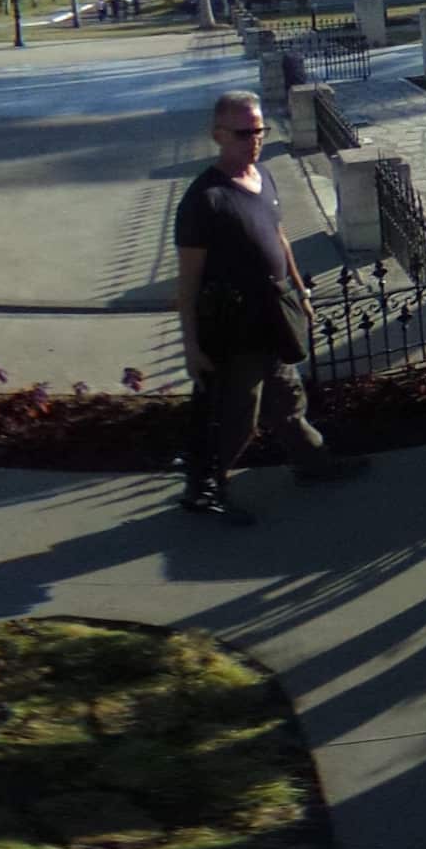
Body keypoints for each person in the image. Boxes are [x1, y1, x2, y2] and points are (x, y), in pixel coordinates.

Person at [173, 90, 362, 525]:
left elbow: (279, 240)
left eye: (260, 131)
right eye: (244, 133)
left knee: (288, 399)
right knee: (239, 418)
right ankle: (207, 490)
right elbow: (188, 281)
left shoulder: (264, 177)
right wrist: (191, 345)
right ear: (218, 135)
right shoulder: (204, 200)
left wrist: (300, 293)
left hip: (275, 318)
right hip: (234, 329)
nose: (254, 140)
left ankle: (314, 463)